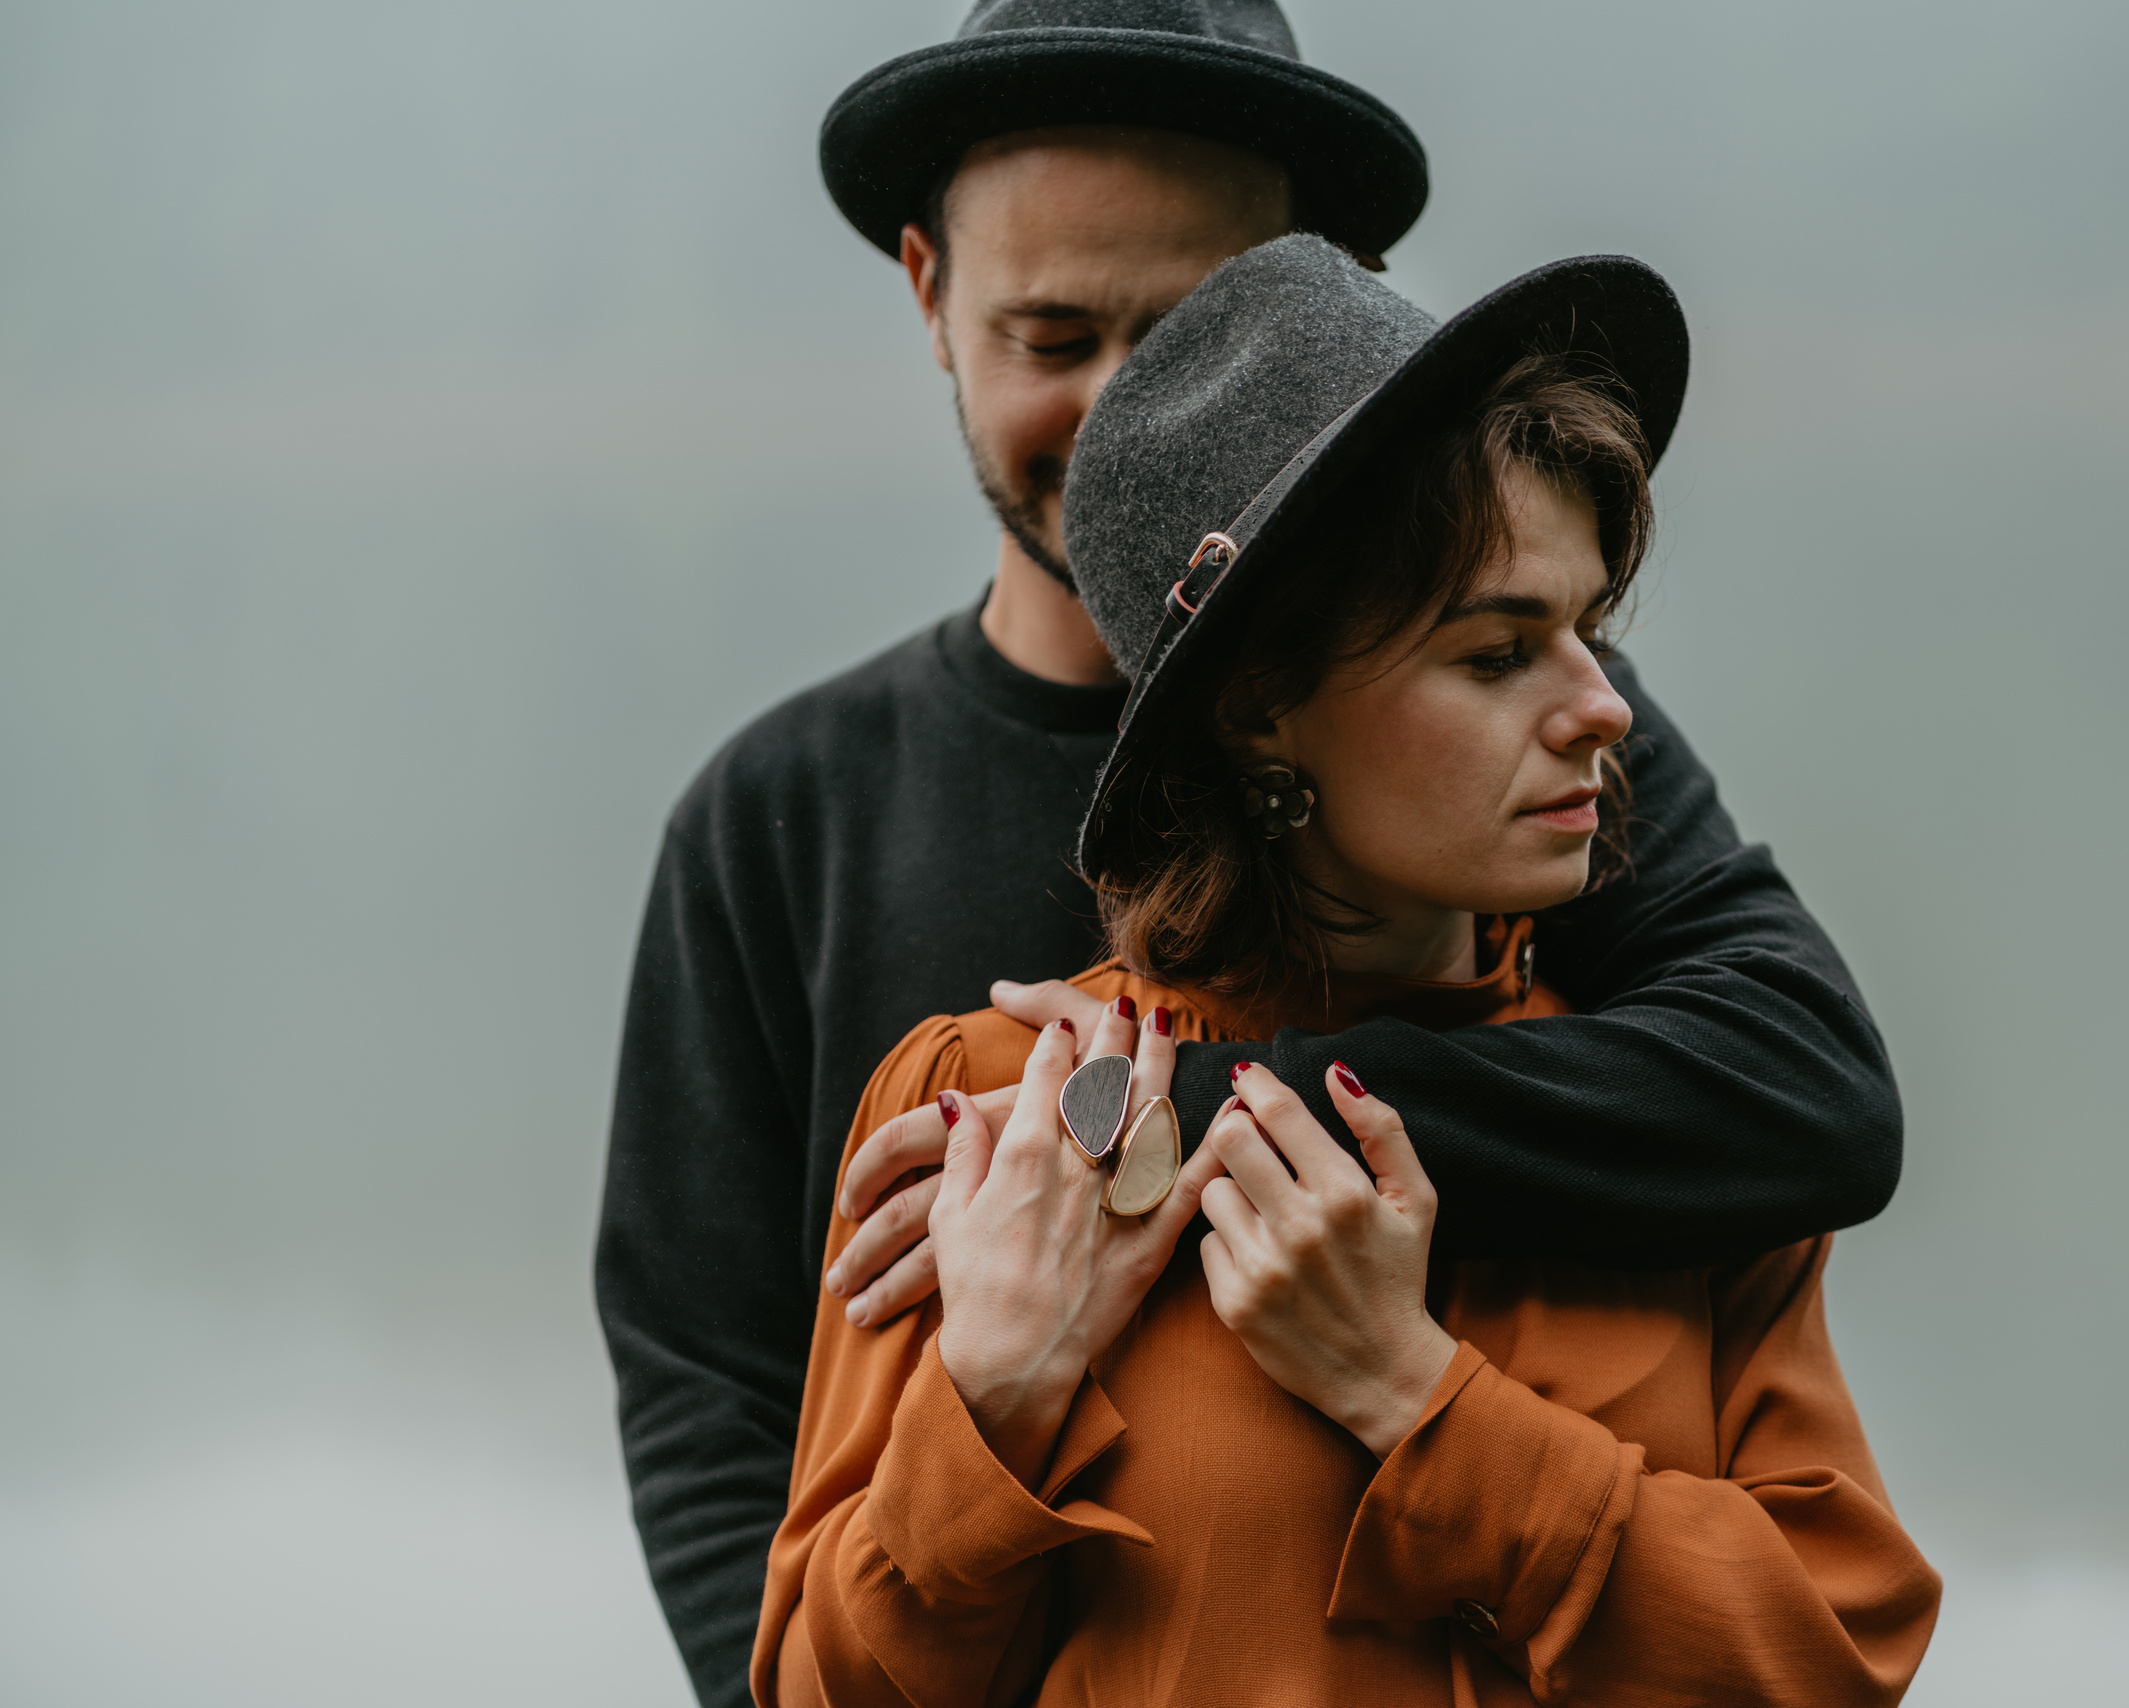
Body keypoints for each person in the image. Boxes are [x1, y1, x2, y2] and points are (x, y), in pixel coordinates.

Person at [597, 5, 1903, 1704]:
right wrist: (1002, 1364)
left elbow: (1808, 1087)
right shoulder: (792, 832)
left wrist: (1171, 1144)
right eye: (1056, 330)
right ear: (930, 293)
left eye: (1204, 333)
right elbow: (715, 1404)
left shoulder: (1563, 806)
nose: (1139, 405)